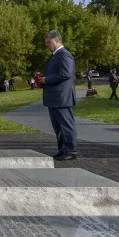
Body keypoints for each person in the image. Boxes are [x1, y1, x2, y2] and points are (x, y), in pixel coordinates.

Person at [37, 30, 78, 160]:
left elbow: (66, 73)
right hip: (54, 97)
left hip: (62, 97)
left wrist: (47, 80)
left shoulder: (64, 55)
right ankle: (62, 149)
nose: (47, 45)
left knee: (66, 125)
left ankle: (71, 151)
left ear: (57, 41)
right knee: (58, 127)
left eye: (49, 42)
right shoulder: (55, 56)